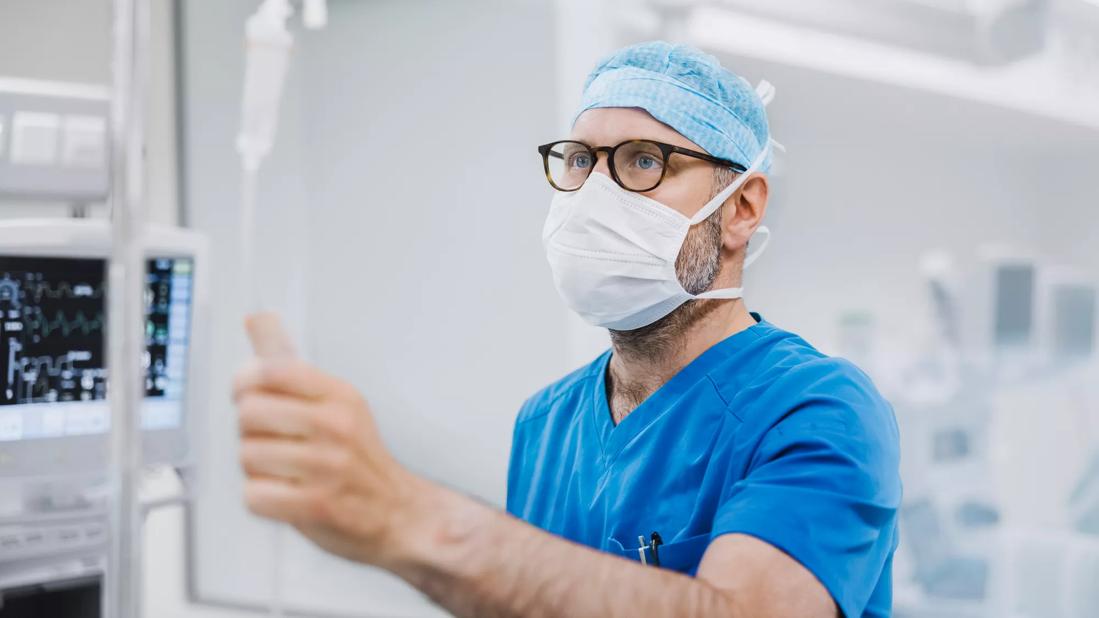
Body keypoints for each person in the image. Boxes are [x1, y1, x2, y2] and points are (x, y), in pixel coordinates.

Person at [233, 41, 901, 617]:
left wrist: (408, 516)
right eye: (579, 161)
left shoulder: (816, 411)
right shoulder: (545, 421)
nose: (593, 195)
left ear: (741, 209)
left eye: (643, 162)